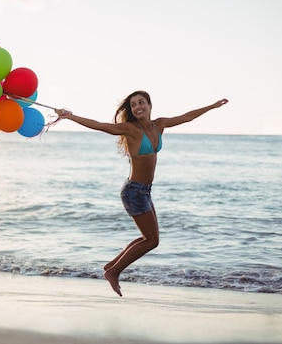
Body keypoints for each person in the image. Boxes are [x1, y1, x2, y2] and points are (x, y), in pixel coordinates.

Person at [54, 91, 228, 296]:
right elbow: (100, 125)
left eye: (141, 102)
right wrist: (70, 116)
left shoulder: (159, 125)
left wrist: (212, 106)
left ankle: (112, 265)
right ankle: (113, 272)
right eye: (134, 104)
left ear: (149, 105)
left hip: (144, 191)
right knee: (151, 241)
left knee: (148, 238)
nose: (138, 107)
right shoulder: (131, 129)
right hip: (133, 191)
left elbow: (186, 117)